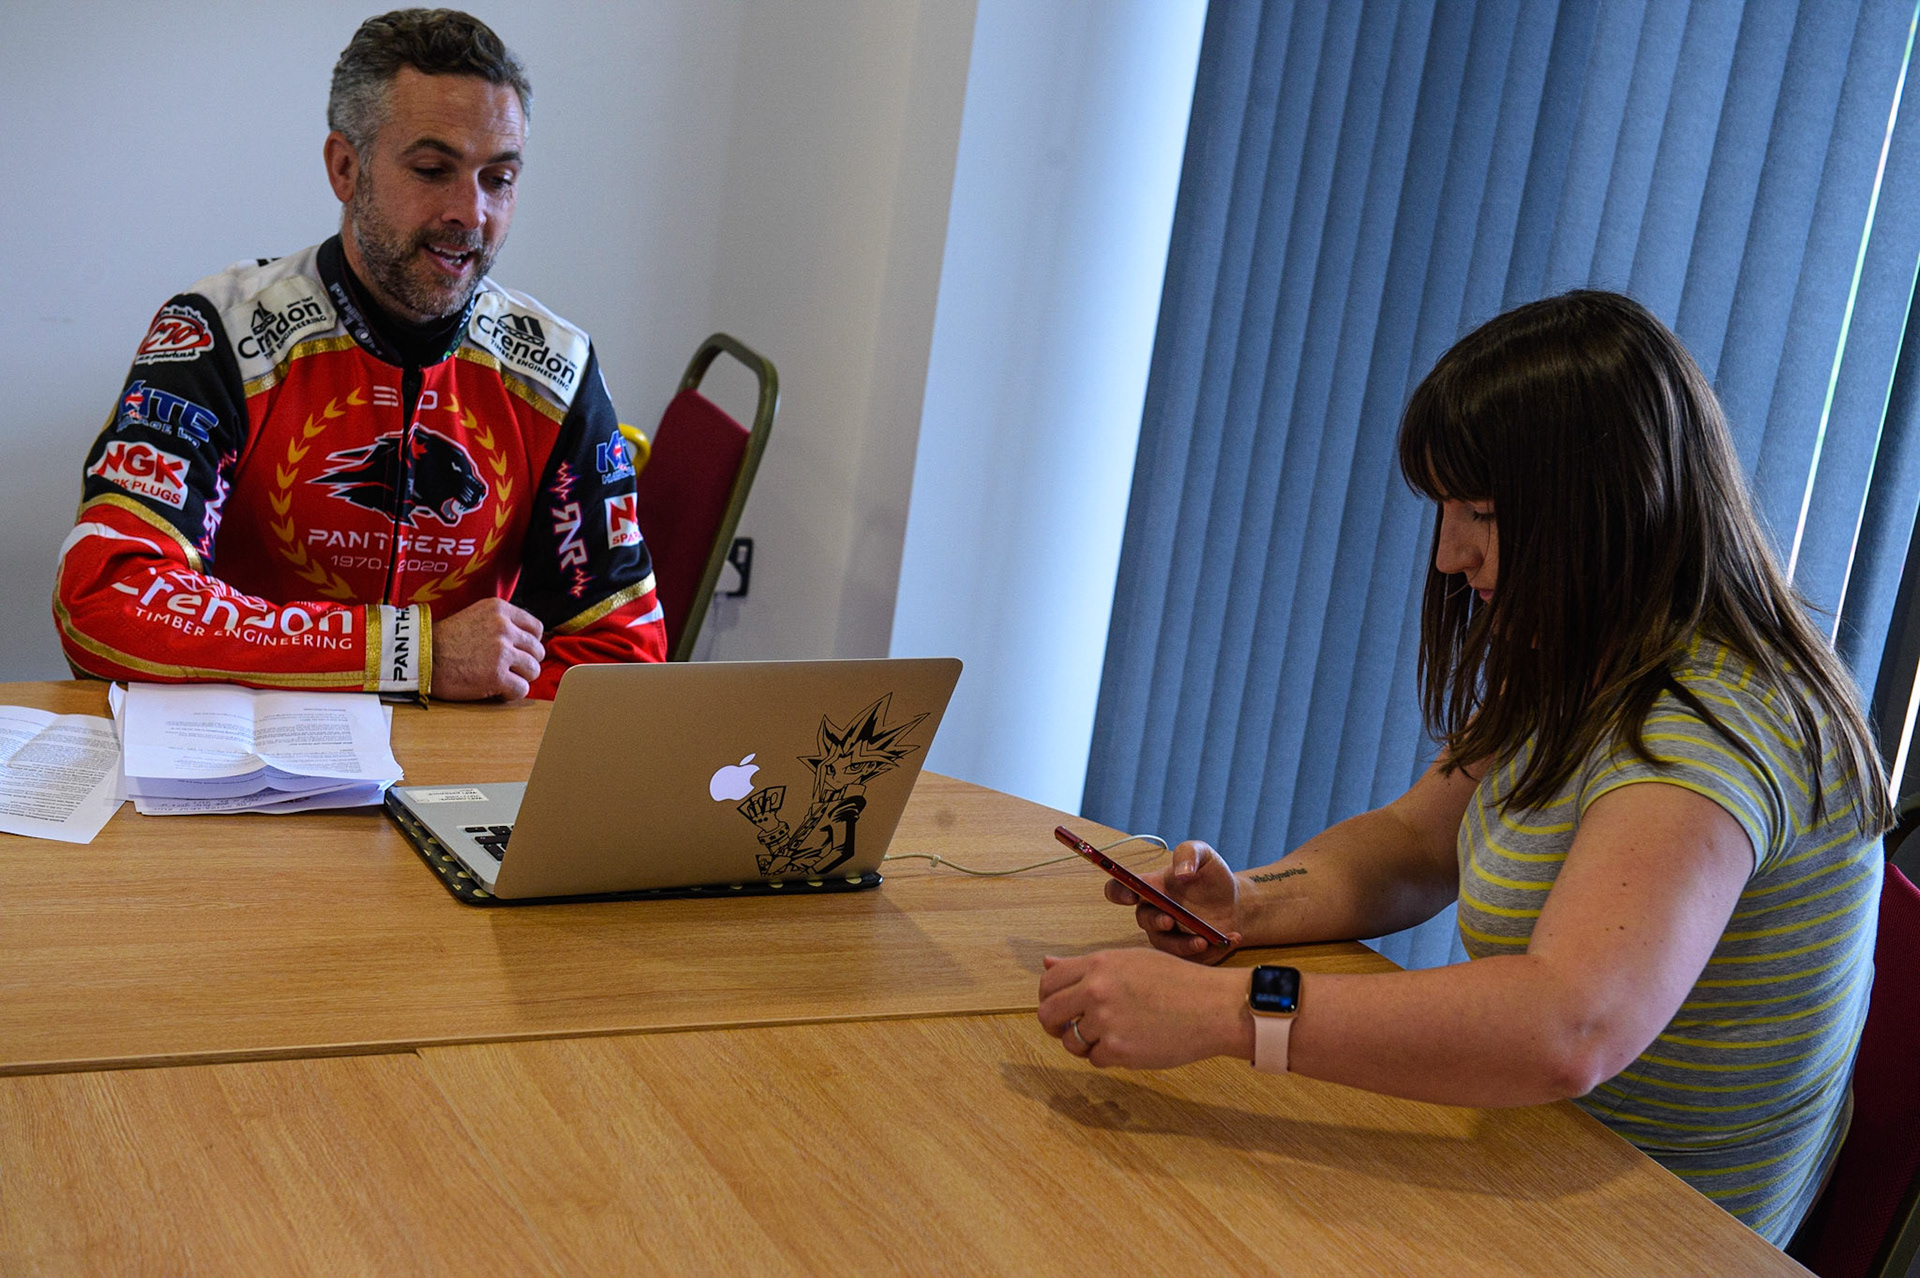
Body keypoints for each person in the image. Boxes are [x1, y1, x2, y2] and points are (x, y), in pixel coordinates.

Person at [1038, 291, 1889, 1246]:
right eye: (1446, 509)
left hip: (1651, 1235)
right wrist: (1251, 905)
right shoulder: (1588, 653)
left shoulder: (1716, 722)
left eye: (1481, 511)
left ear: (1608, 507)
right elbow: (1413, 844)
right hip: (1533, 1165)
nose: (1449, 555)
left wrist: (1230, 1013)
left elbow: (1570, 1028)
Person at [53, 9, 665, 701]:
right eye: (433, 169)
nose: (471, 213)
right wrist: (408, 652)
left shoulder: (554, 369)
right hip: (241, 768)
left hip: (452, 780)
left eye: (499, 179)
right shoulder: (216, 336)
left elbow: (619, 654)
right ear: (345, 168)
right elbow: (106, 601)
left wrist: (455, 729)